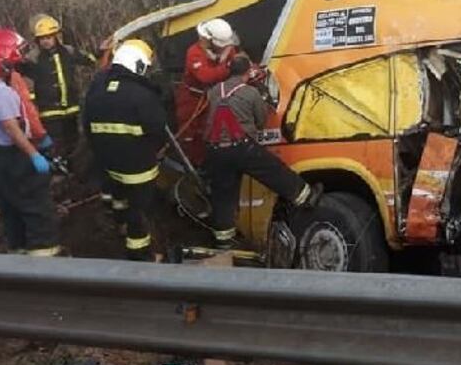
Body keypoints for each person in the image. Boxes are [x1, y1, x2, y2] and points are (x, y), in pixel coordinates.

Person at [204, 54, 321, 248]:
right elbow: (261, 121)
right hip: (241, 147)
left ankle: (224, 243)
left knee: (223, 196)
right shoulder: (250, 93)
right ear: (247, 72)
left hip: (216, 151)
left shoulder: (215, 91)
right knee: (274, 170)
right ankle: (305, 196)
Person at [0, 29, 60, 256]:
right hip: (12, 157)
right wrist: (34, 155)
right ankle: (45, 262)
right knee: (37, 211)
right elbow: (12, 128)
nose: (18, 59)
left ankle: (18, 263)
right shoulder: (1, 93)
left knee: (10, 211)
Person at [83, 39, 166, 261]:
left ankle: (118, 226)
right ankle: (140, 255)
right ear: (137, 64)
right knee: (140, 212)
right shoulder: (142, 94)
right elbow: (158, 130)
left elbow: (87, 127)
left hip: (109, 163)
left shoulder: (97, 89)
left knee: (119, 197)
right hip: (139, 167)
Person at [18, 14, 97, 163]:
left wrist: (101, 52)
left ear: (56, 36)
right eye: (42, 38)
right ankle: (57, 169)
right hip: (49, 111)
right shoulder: (32, 59)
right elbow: (23, 81)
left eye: (49, 37)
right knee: (55, 144)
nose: (46, 41)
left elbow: (89, 59)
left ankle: (74, 168)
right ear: (37, 40)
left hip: (71, 108)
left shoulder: (68, 51)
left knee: (73, 141)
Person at [174, 18, 239, 166]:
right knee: (189, 133)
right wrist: (228, 68)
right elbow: (206, 76)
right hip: (193, 98)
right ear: (207, 39)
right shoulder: (194, 53)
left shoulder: (228, 48)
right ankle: (194, 163)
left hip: (216, 96)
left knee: (212, 129)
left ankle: (210, 159)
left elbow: (236, 61)